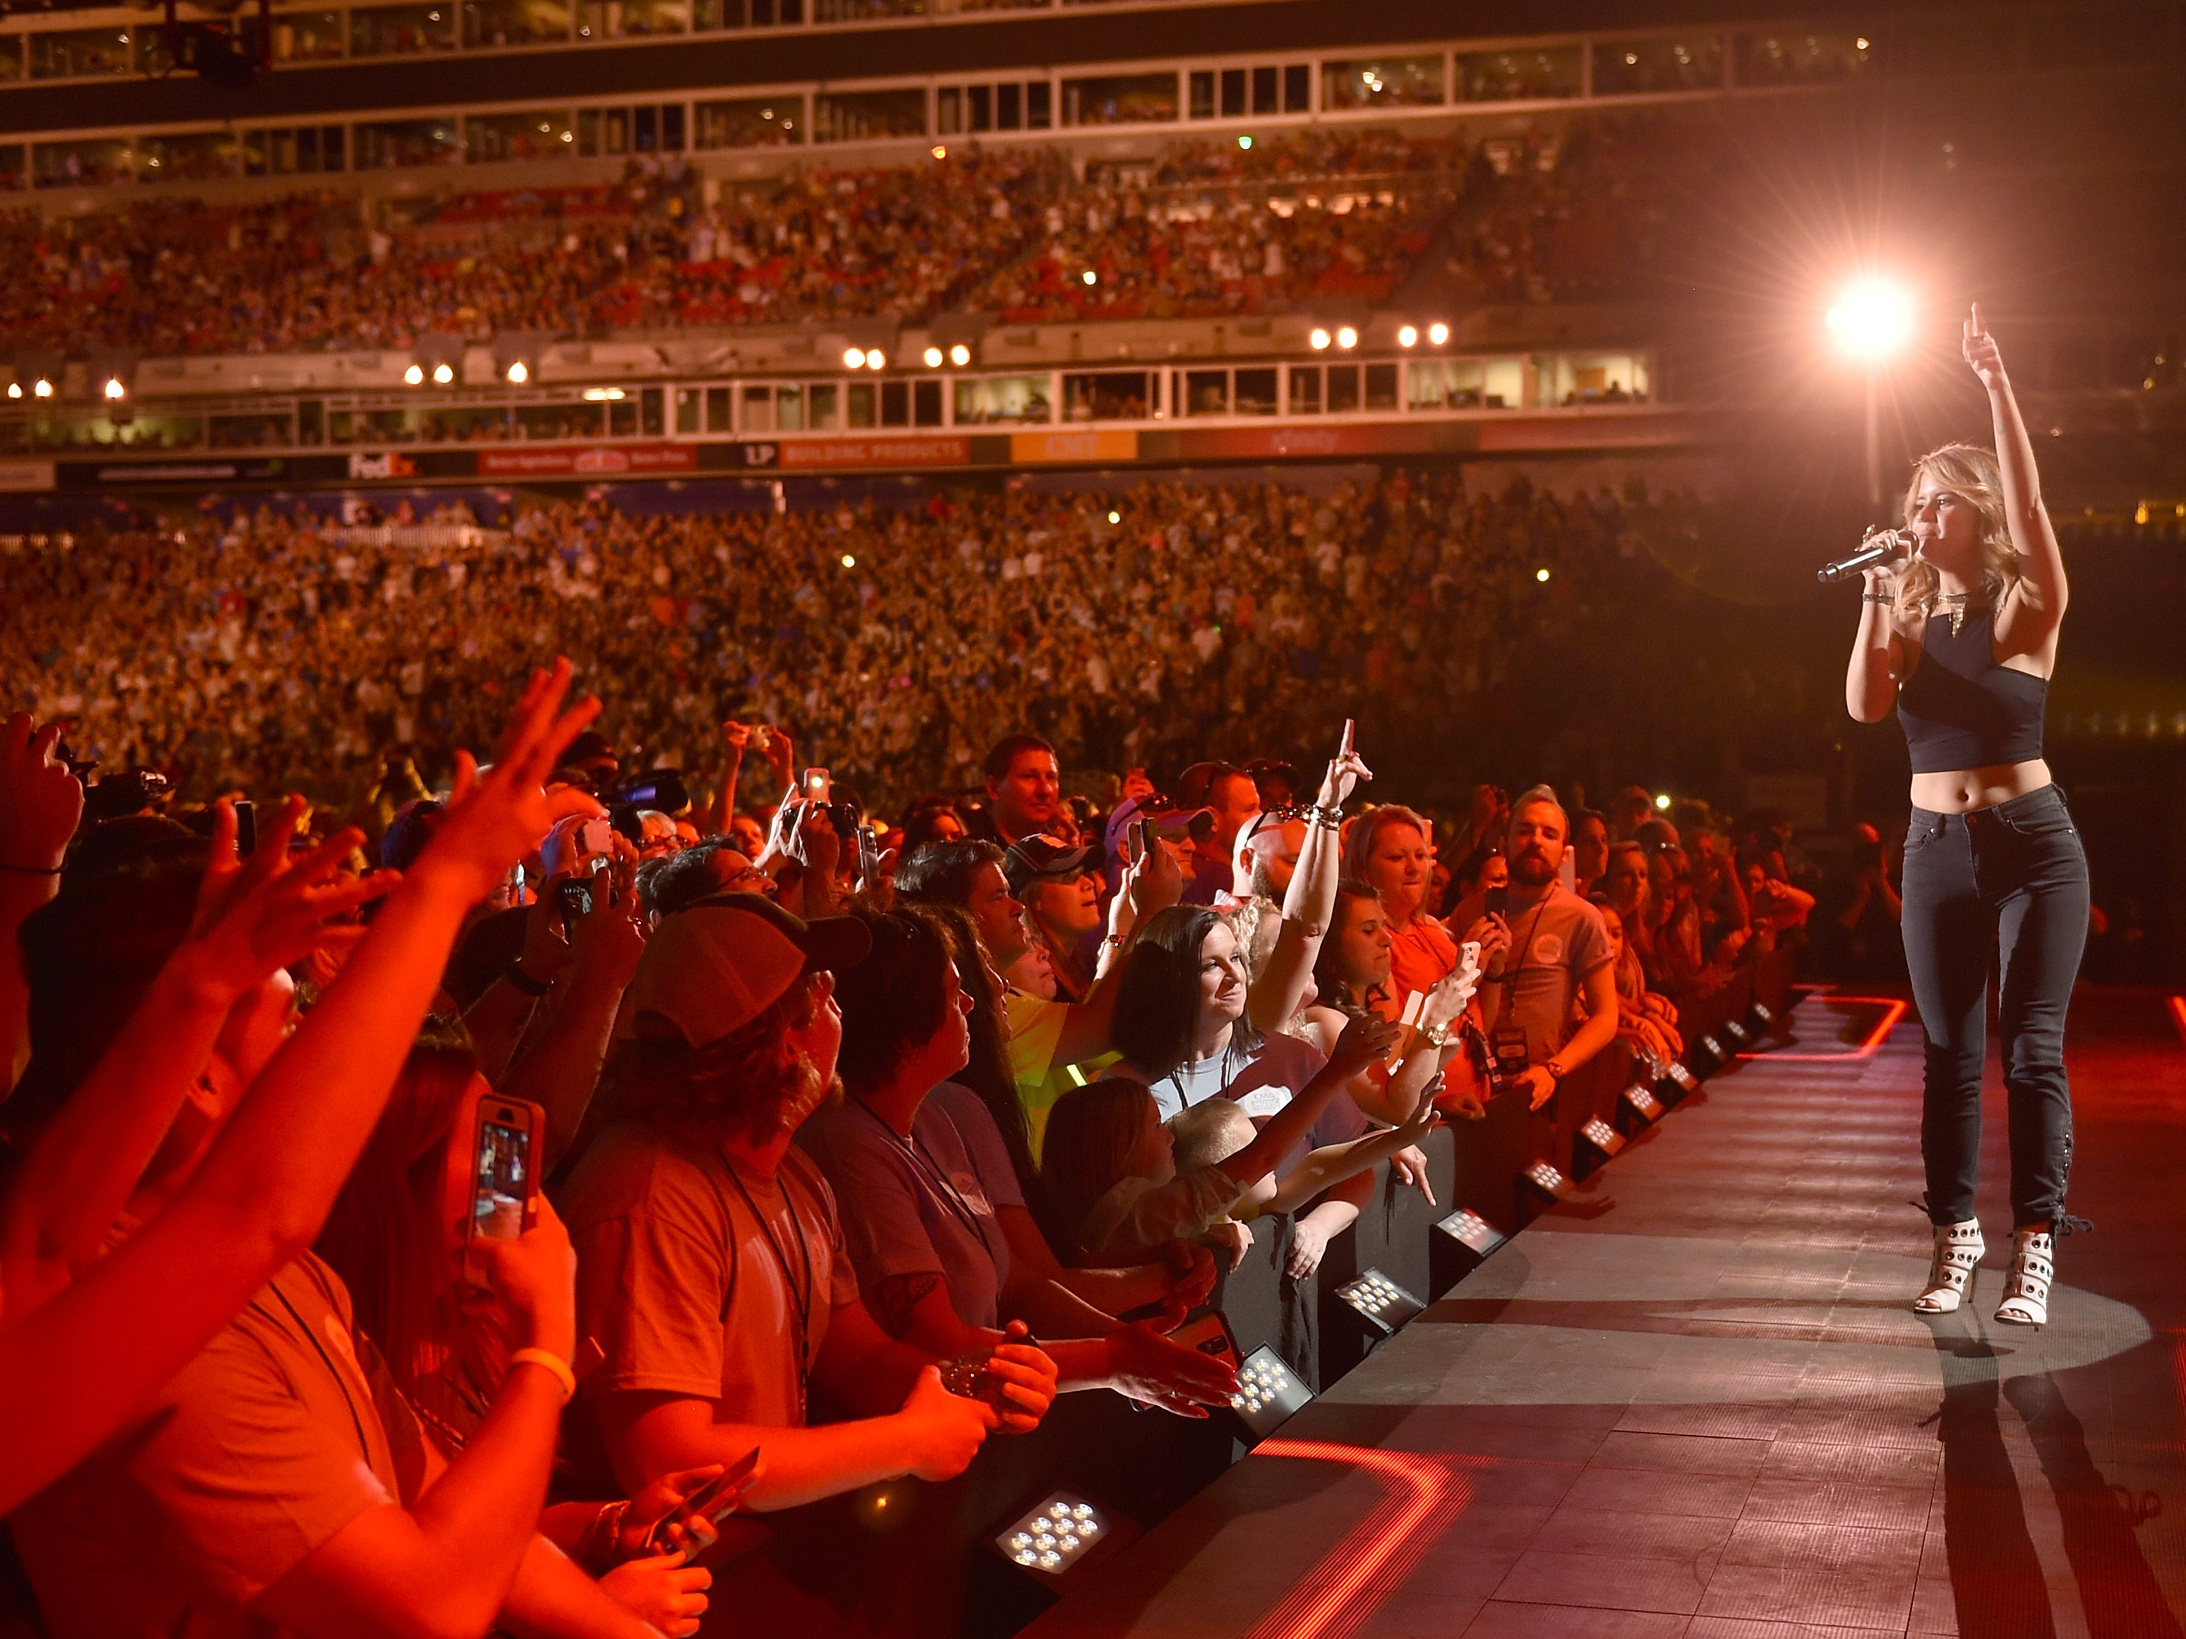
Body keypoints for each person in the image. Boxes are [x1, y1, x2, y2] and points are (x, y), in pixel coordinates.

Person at [0, 665, 603, 1521]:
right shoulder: (174, 1340)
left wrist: (202, 981)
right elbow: (255, 1212)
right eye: (290, 1029)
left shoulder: (65, 1258)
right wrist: (545, 1352)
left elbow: (43, 1243)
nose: (306, 1053)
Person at [558, 894, 1057, 1512]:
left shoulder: (794, 1175)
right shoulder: (653, 1198)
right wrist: (904, 1443)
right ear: (786, 1041)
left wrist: (971, 1384)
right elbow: (665, 1457)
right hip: (669, 1584)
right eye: (823, 992)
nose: (840, 1007)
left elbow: (854, 1359)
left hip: (749, 1552)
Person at [1843, 305, 2086, 1326]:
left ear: (1975, 514)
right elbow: (1861, 705)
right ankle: (1954, 1238)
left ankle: (2033, 1241)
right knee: (1946, 1053)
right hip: (1935, 843)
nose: (1924, 513)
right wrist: (1867, 595)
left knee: (2027, 1049)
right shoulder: (1905, 615)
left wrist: (1994, 384)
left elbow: (2027, 507)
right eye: (1917, 500)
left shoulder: (2024, 604)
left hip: (2031, 846)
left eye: (1942, 500)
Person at [316, 1032, 722, 1637]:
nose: (514, 1173)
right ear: (403, 1171)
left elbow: (483, 1525)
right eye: (485, 1143)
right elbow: (424, 1589)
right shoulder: (337, 1360)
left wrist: (609, 1526)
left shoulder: (468, 1326)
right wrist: (596, 1614)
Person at [797, 908, 1236, 1415]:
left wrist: (1132, 1338)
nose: (970, 1004)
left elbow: (1018, 1287)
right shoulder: (849, 1146)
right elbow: (938, 1341)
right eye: (952, 990)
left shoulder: (940, 1117)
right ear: (903, 1015)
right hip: (927, 1434)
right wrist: (1112, 1361)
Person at [1107, 905, 1379, 1280]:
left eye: (1236, 957)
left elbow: (1358, 1172)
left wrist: (1319, 1228)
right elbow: (1124, 1226)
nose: (1234, 975)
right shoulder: (1125, 1091)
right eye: (1211, 966)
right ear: (1167, 981)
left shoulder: (1293, 1056)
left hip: (1288, 1281)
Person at [1445, 787, 1618, 1112]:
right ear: (1504, 844)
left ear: (1565, 855)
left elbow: (1606, 1016)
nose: (1536, 841)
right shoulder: (1470, 911)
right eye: (1524, 831)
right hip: (1474, 1087)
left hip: (1541, 1086)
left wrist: (1554, 1069)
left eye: (1548, 834)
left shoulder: (1581, 917)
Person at [1340, 805, 1456, 1001]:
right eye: (1397, 857)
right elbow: (1391, 1029)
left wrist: (1490, 974)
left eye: (1420, 856)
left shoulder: (1434, 929)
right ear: (1363, 865)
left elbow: (1475, 1021)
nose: (1414, 868)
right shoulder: (1370, 944)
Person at [969, 734, 1062, 847]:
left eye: (1051, 777)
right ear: (993, 788)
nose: (1045, 790)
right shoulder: (966, 860)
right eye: (1030, 777)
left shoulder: (1065, 856)